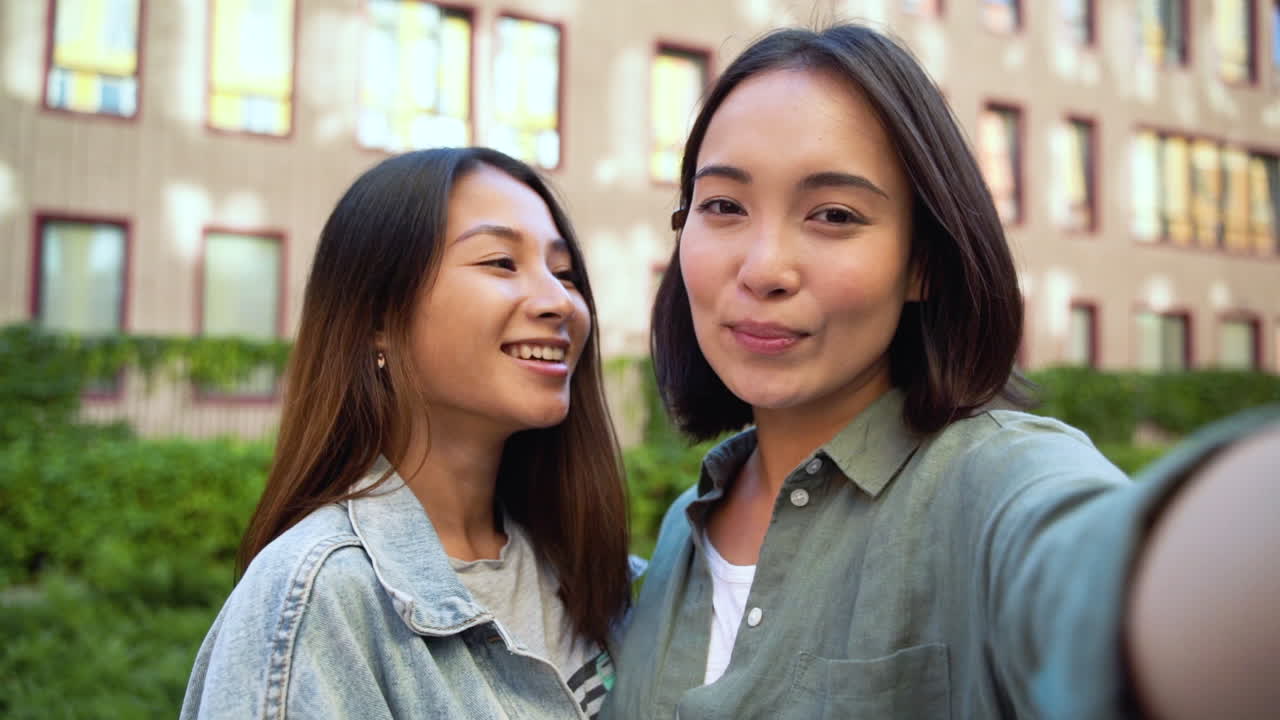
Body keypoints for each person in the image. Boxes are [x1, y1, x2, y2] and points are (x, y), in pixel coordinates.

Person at [604, 24, 1280, 720]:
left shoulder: (993, 484)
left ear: (922, 263)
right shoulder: (685, 531)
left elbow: (1106, 572)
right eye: (724, 206)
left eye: (834, 214)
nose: (764, 269)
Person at [181, 147, 632, 719]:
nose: (558, 302)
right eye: (500, 262)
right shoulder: (322, 599)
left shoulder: (599, 575)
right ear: (377, 320)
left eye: (564, 273)